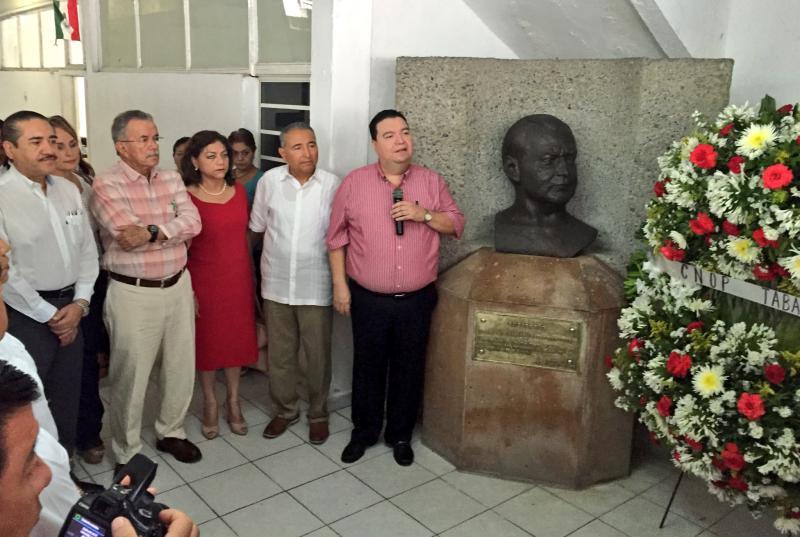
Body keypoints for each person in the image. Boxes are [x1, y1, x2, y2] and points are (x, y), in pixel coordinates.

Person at [326, 109, 465, 465]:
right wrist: (341, 286)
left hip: (417, 300)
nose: (400, 141)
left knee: (409, 367)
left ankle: (400, 435)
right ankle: (364, 432)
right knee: (368, 366)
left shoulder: (431, 182)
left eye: (405, 132)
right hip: (368, 299)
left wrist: (425, 215)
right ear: (375, 144)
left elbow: (456, 224)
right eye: (389, 135)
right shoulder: (354, 183)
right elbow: (336, 238)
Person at [91, 110, 202, 471]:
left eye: (156, 138)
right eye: (144, 139)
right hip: (133, 292)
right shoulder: (107, 185)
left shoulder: (171, 178)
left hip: (178, 284)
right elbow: (126, 235)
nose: (153, 146)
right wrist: (168, 229)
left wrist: (153, 232)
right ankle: (126, 449)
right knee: (131, 373)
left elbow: (193, 222)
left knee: (180, 366)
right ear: (121, 147)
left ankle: (171, 431)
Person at [0, 110, 99, 456]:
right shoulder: (2, 196)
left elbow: (87, 251)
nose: (49, 149)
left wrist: (80, 303)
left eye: (52, 141)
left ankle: (66, 468)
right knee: (30, 401)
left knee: (68, 393)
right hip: (27, 317)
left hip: (73, 307)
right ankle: (33, 481)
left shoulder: (67, 190)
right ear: (10, 149)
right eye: (37, 142)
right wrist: (50, 316)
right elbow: (7, 272)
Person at [250, 122, 340, 445]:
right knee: (281, 354)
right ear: (282, 152)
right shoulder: (269, 183)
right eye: (299, 147)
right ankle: (285, 410)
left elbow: (340, 238)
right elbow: (257, 229)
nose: (308, 152)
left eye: (312, 145)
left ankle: (318, 413)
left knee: (316, 356)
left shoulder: (332, 185)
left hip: (315, 283)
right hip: (275, 282)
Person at [181, 130, 258, 439]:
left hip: (237, 277)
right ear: (195, 161)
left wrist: (251, 278)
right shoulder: (186, 196)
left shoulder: (238, 191)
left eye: (224, 155)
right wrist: (188, 289)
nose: (221, 162)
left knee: (236, 342)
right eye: (211, 156)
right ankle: (211, 403)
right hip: (204, 279)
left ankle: (234, 401)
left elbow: (244, 237)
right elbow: (181, 246)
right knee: (209, 344)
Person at [49, 115, 109, 466]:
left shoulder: (83, 180)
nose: (68, 151)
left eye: (73, 143)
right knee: (56, 366)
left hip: (91, 281)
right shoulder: (32, 189)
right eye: (59, 145)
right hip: (54, 290)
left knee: (87, 361)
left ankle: (89, 432)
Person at [494, 114, 597, 257]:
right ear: (513, 169)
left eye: (569, 159)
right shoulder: (502, 229)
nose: (564, 171)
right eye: (549, 160)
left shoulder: (582, 233)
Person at [228, 128, 265, 208]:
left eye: (245, 153)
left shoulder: (262, 180)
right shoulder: (225, 175)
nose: (240, 158)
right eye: (235, 153)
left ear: (254, 151)